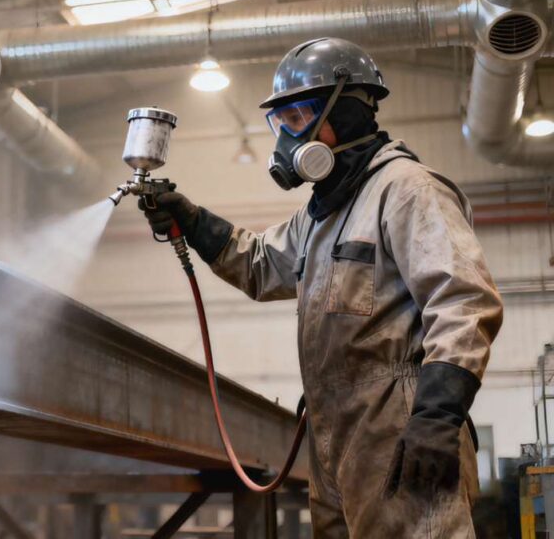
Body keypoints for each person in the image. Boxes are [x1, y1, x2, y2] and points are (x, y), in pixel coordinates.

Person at [142, 37, 502, 537]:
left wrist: (438, 415)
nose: (286, 138)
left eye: (298, 118)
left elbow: (463, 299)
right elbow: (261, 264)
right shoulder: (322, 214)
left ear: (349, 111)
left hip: (398, 428)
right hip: (333, 430)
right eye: (280, 122)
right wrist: (194, 220)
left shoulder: (406, 189)